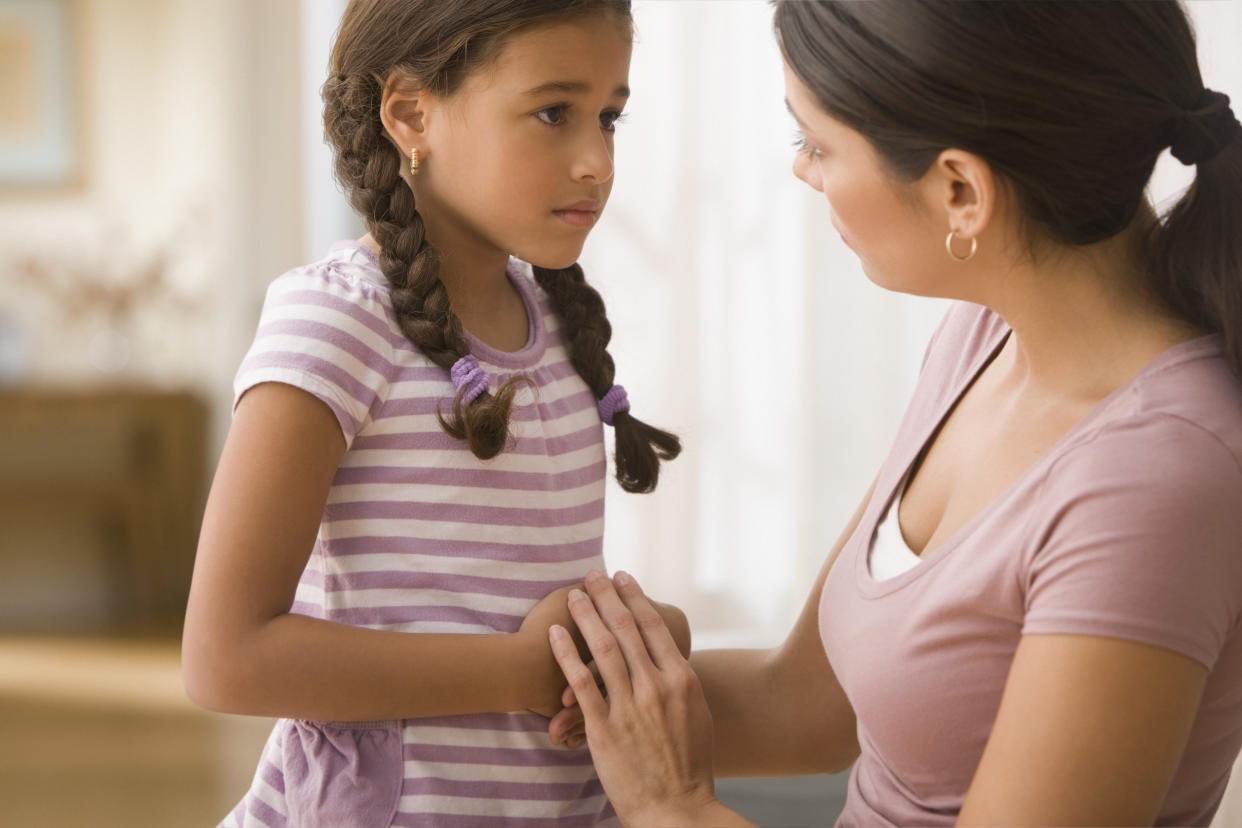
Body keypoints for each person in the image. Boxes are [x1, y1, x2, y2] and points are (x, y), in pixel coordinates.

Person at [546, 1, 1242, 826]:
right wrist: (604, 675)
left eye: (816, 143)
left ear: (959, 190)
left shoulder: (1157, 477)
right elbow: (801, 710)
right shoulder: (984, 339)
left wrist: (672, 806)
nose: (803, 171)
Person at [179, 1, 690, 826]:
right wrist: (527, 670)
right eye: (553, 113)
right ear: (411, 113)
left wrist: (630, 644)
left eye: (609, 118)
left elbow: (516, 600)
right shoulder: (335, 321)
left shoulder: (562, 330)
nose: (596, 160)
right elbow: (224, 660)